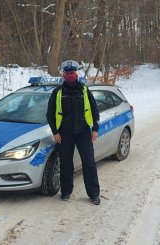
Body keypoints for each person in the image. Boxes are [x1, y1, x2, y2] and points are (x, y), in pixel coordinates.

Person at [46, 60, 101, 205]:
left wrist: (95, 129)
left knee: (89, 163)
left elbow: (94, 110)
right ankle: (65, 192)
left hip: (83, 132)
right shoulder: (58, 92)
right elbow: (50, 114)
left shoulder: (84, 90)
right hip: (65, 133)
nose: (70, 75)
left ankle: (94, 194)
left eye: (72, 73)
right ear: (64, 74)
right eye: (67, 73)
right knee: (66, 163)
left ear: (76, 73)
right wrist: (55, 132)